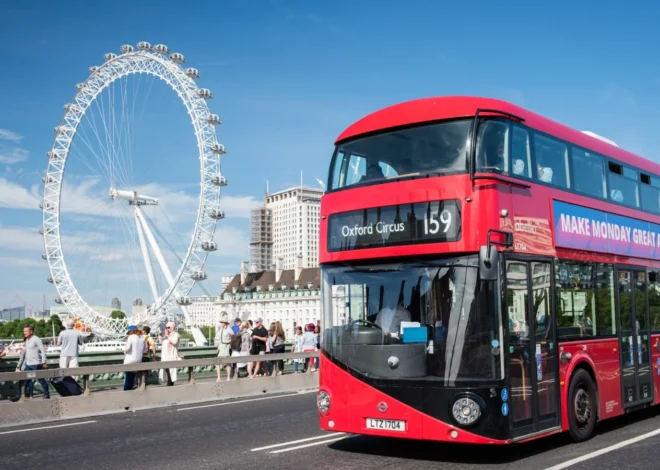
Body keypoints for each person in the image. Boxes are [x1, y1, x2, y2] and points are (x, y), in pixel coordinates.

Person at [15, 325, 50, 400]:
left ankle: (47, 394)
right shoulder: (27, 340)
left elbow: (43, 351)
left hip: (36, 364)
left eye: (26, 331)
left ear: (31, 331)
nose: (24, 333)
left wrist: (44, 362)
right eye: (24, 331)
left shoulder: (36, 339)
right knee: (23, 380)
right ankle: (18, 396)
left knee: (41, 380)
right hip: (28, 364)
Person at [123, 326, 145, 391]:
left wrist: (123, 349)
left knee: (127, 380)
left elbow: (127, 348)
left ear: (131, 331)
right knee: (132, 379)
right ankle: (131, 394)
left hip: (129, 361)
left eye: (128, 332)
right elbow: (144, 350)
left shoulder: (131, 337)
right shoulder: (142, 338)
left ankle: (126, 394)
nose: (128, 334)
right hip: (138, 360)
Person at [159, 321, 180, 386]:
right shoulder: (166, 335)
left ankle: (170, 382)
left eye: (169, 327)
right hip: (165, 355)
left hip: (171, 354)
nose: (167, 329)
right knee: (165, 368)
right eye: (166, 327)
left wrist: (168, 336)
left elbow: (174, 342)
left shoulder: (175, 334)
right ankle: (169, 380)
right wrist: (160, 336)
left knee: (171, 368)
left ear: (172, 327)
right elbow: (161, 342)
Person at [215, 314, 232, 382]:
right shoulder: (220, 329)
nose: (221, 323)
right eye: (221, 322)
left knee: (227, 363)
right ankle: (219, 377)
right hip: (221, 347)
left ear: (225, 323)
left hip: (226, 347)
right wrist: (217, 346)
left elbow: (234, 337)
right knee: (217, 362)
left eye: (222, 322)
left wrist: (229, 341)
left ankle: (228, 377)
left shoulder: (229, 329)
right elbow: (218, 338)